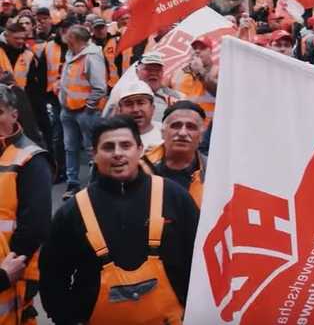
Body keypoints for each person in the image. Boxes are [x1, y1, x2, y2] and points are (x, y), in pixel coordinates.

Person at [39, 116, 199, 324]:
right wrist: (65, 318)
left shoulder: (174, 196)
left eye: (126, 145)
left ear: (140, 149)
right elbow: (53, 275)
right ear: (93, 154)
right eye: (108, 147)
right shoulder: (73, 212)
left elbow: (198, 258)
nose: (117, 154)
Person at [0, 84, 53, 324]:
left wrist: (7, 272)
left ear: (14, 114)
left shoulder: (31, 159)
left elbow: (34, 227)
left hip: (11, 275)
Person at [59, 25, 107, 199]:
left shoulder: (91, 57)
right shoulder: (71, 53)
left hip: (85, 113)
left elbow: (100, 87)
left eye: (68, 37)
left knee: (91, 149)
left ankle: (95, 186)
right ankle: (72, 184)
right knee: (70, 148)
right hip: (68, 110)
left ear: (75, 39)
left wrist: (89, 107)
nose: (65, 39)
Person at [140, 101, 206, 208]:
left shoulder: (213, 173)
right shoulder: (140, 168)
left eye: (191, 127)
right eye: (176, 126)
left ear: (201, 136)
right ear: (162, 132)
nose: (182, 133)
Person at [169, 37, 217, 125]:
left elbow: (218, 92)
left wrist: (201, 71)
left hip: (206, 128)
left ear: (210, 51)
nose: (197, 51)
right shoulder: (180, 72)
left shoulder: (217, 71)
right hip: (181, 124)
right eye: (195, 48)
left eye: (202, 48)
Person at [113, 79, 162, 149]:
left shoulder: (166, 133)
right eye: (128, 104)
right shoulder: (111, 137)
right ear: (120, 110)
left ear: (152, 108)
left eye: (141, 103)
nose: (135, 109)